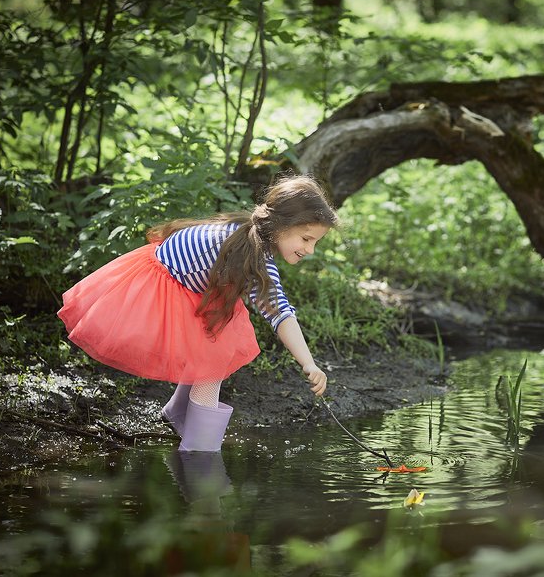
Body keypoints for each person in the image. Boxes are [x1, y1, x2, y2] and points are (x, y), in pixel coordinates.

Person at [58, 174, 338, 452]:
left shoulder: (248, 238)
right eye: (306, 238)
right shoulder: (245, 250)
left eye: (315, 242)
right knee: (216, 351)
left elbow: (277, 308)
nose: (310, 249)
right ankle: (200, 452)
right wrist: (309, 364)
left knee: (217, 336)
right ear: (281, 225)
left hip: (188, 286)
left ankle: (179, 413)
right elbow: (280, 313)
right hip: (160, 288)